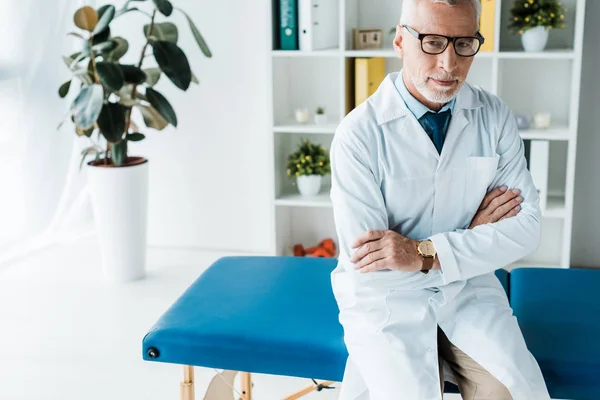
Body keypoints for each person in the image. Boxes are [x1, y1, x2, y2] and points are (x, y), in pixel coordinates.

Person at [329, 0, 551, 399]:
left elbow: (528, 229)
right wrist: (470, 234)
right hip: (388, 300)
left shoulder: (493, 116)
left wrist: (421, 251)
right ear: (400, 41)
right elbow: (373, 260)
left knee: (510, 391)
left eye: (464, 43)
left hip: (468, 290)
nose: (449, 64)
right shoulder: (358, 135)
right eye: (432, 42)